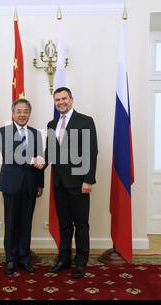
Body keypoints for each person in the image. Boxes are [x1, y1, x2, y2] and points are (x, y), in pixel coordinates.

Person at [35, 87, 98, 278]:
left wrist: (88, 180)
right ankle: (63, 259)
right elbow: (51, 151)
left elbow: (91, 152)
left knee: (81, 224)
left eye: (64, 99)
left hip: (79, 183)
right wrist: (40, 162)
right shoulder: (52, 123)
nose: (61, 102)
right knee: (63, 224)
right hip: (60, 183)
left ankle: (80, 262)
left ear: (71, 99)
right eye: (57, 100)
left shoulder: (85, 121)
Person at [0, 99, 44, 275]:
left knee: (26, 223)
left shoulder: (36, 134)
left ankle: (24, 259)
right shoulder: (3, 132)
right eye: (19, 111)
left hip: (30, 186)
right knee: (11, 223)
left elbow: (41, 159)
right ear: (13, 113)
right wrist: (32, 160)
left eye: (25, 111)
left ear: (29, 114)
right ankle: (10, 259)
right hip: (11, 185)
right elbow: (10, 155)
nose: (22, 114)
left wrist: (40, 184)